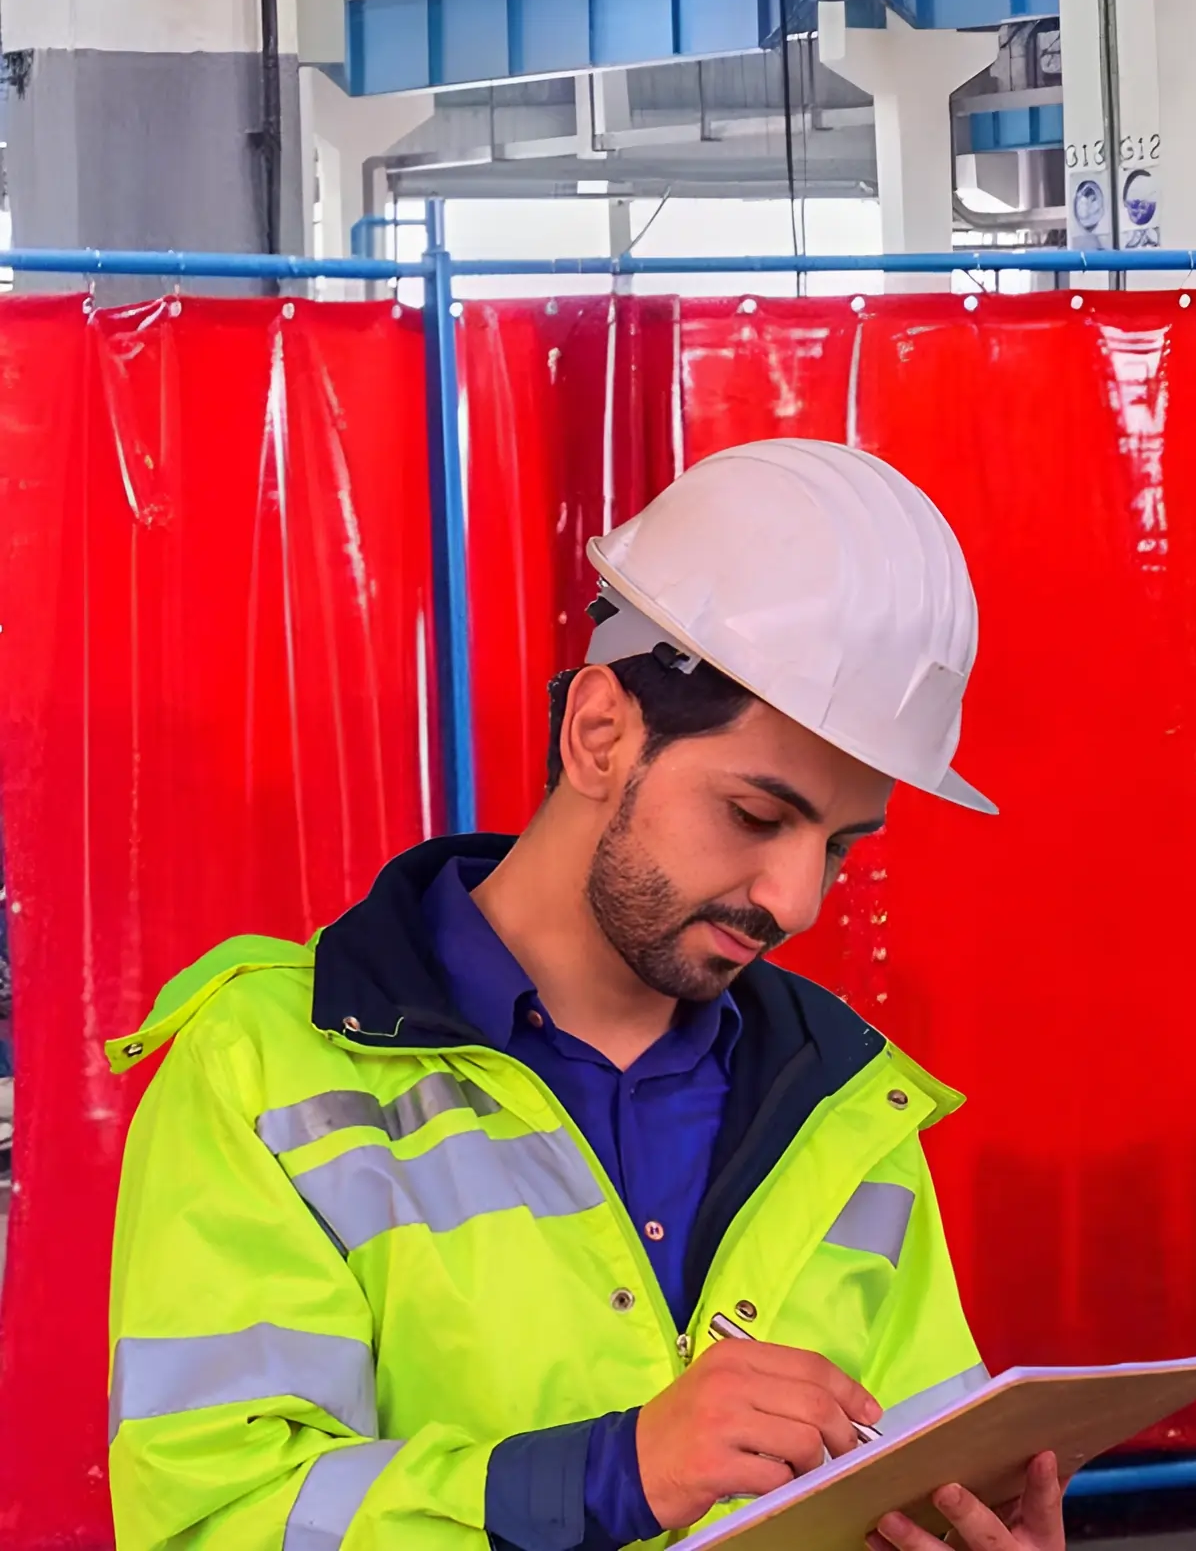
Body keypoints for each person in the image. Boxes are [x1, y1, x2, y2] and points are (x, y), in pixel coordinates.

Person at [105, 440, 1066, 1551]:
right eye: (757, 817)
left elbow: (901, 1476)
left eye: (840, 847)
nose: (794, 900)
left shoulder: (848, 1108)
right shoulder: (269, 1068)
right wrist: (610, 1475)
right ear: (600, 730)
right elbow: (216, 1516)